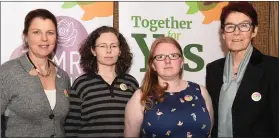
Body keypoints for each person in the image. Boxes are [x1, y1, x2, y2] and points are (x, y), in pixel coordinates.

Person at [206, 2, 279, 137]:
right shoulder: (213, 70)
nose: (236, 32)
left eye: (244, 26)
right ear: (223, 33)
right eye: (230, 26)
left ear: (254, 31)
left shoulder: (273, 68)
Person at [0, 9, 70, 137]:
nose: (44, 39)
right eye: (37, 32)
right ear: (26, 37)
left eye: (50, 33)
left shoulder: (63, 77)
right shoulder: (8, 72)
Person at [125, 36, 214, 138]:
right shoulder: (141, 97)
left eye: (173, 55)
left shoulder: (200, 92)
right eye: (160, 57)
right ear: (153, 65)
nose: (167, 61)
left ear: (181, 62)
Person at [65, 26, 139, 137]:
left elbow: (138, 125)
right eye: (103, 46)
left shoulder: (131, 83)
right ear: (93, 51)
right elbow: (71, 127)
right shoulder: (81, 84)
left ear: (120, 51)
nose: (108, 50)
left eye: (113, 46)